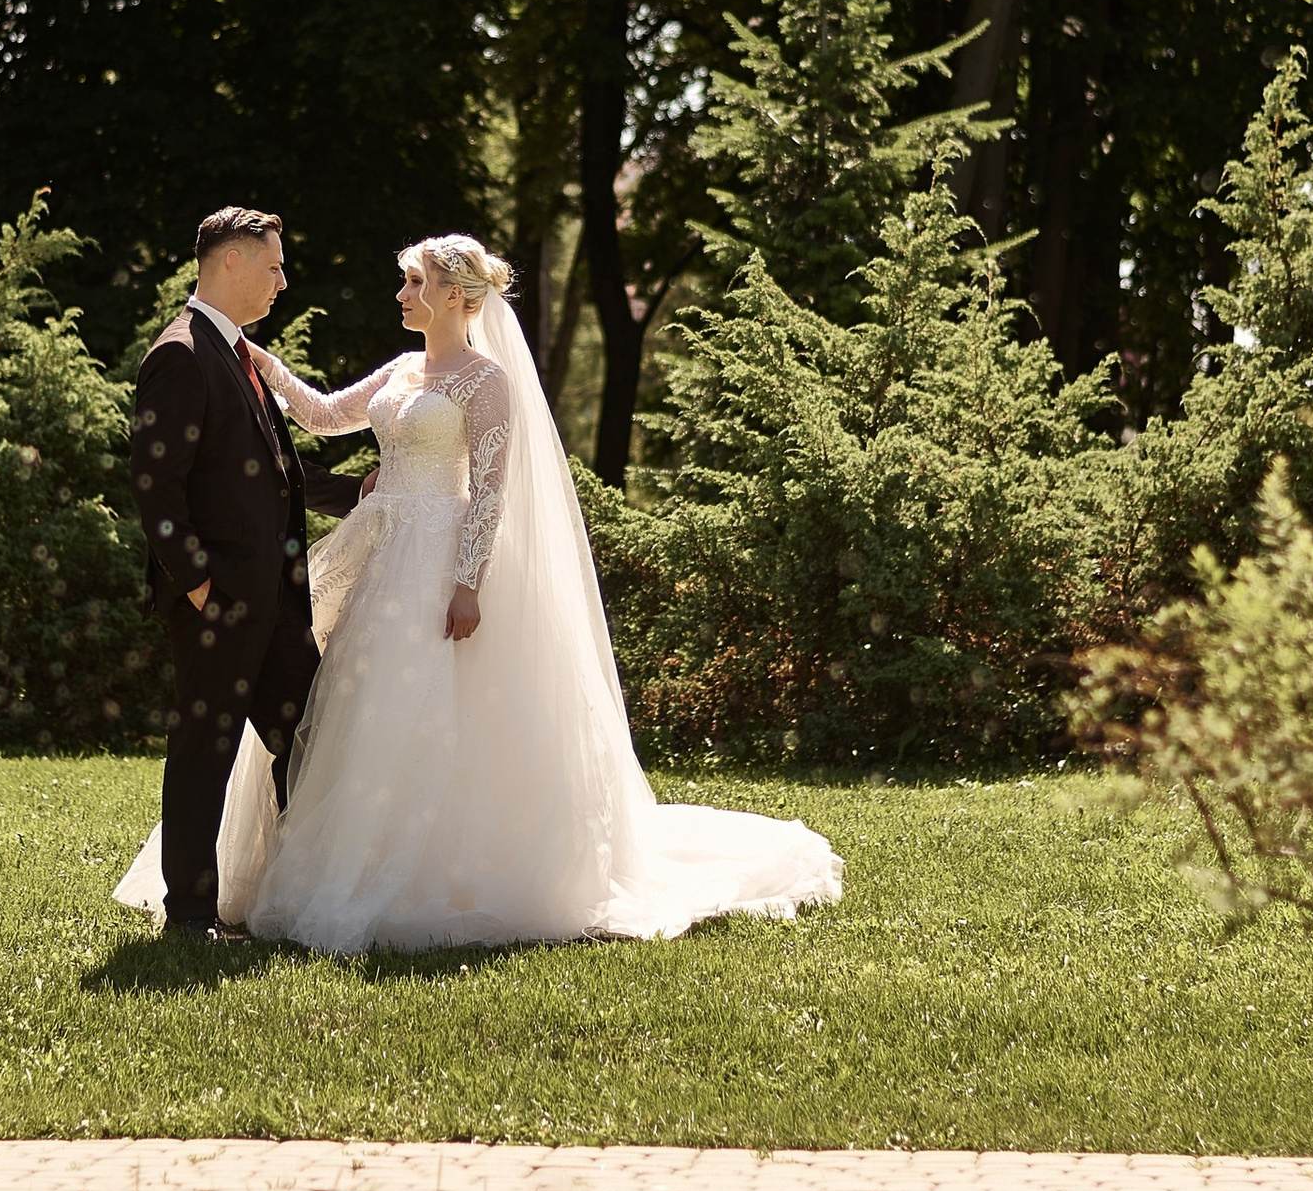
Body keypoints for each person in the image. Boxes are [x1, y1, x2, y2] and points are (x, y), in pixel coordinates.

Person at [117, 231, 840, 950]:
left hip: (436, 561)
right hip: (381, 556)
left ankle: (431, 868)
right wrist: (263, 365)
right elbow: (327, 413)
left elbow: (491, 493)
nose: (402, 295)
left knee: (421, 710)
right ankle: (332, 859)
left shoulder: (487, 382)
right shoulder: (402, 368)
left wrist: (467, 582)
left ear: (456, 296)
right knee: (340, 712)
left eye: (414, 283)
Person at [128, 205, 355, 934]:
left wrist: (365, 493)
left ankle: (301, 898)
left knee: (312, 742)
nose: (282, 279)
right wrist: (198, 586)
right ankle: (190, 916)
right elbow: (155, 485)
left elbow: (280, 472)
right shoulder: (181, 353)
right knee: (205, 751)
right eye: (273, 265)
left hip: (277, 606)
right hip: (218, 603)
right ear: (230, 261)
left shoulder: (237, 353)